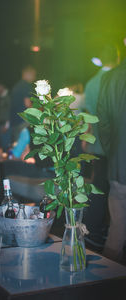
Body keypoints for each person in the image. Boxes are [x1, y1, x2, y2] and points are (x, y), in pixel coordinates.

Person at [82, 44, 119, 250]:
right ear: (117, 56)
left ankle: (93, 229)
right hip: (111, 143)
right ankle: (99, 229)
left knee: (98, 185)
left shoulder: (91, 82)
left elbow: (88, 114)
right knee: (111, 187)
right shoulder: (115, 80)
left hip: (95, 141)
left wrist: (87, 138)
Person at [97, 38, 126, 263]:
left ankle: (107, 287)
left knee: (117, 231)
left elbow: (103, 123)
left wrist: (114, 150)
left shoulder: (110, 78)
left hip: (119, 167)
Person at [9, 65, 36, 143]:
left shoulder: (16, 86)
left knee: (16, 146)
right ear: (27, 73)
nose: (34, 77)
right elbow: (27, 105)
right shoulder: (26, 85)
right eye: (33, 75)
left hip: (14, 121)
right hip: (23, 122)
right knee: (24, 148)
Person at [0, 82, 11, 151]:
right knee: (1, 145)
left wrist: (6, 126)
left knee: (5, 146)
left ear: (1, 86)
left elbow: (11, 112)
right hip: (0, 125)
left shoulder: (8, 97)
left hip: (4, 126)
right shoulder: (1, 97)